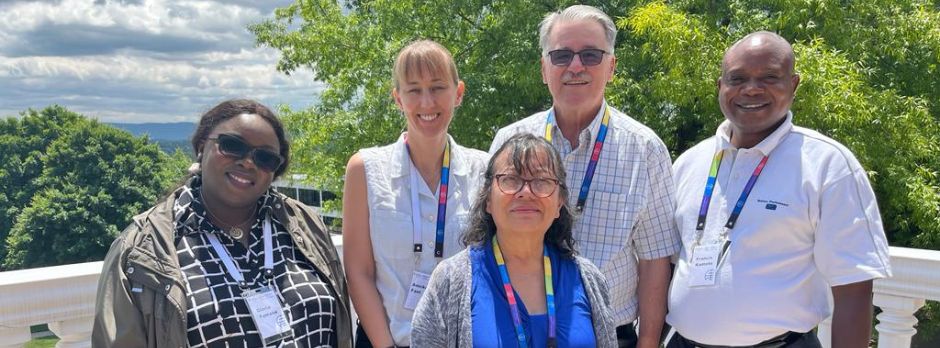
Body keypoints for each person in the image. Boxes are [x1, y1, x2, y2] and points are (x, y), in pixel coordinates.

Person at [666, 31, 892, 348]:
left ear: (794, 85)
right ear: (721, 87)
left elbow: (854, 285)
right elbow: (668, 266)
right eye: (738, 78)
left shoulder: (827, 164)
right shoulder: (689, 163)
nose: (752, 89)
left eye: (769, 77)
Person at [489, 5, 680, 347]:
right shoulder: (509, 141)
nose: (575, 66)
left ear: (611, 67)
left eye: (590, 55)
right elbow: (485, 236)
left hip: (609, 334)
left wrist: (648, 343)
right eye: (561, 55)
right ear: (543, 68)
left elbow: (655, 261)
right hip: (517, 330)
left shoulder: (645, 150)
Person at [93, 99, 352, 347]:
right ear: (202, 146)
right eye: (232, 146)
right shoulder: (142, 250)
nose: (248, 162)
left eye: (265, 158)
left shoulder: (306, 227)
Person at [342, 39, 489, 347]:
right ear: (398, 99)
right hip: (384, 341)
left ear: (458, 93)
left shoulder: (484, 169)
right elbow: (359, 271)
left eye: (437, 87)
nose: (426, 103)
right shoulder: (365, 169)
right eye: (413, 90)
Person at [412, 133, 616, 347]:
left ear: (559, 204)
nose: (526, 192)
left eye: (542, 181)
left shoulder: (589, 279)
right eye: (511, 180)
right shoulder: (451, 280)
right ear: (488, 200)